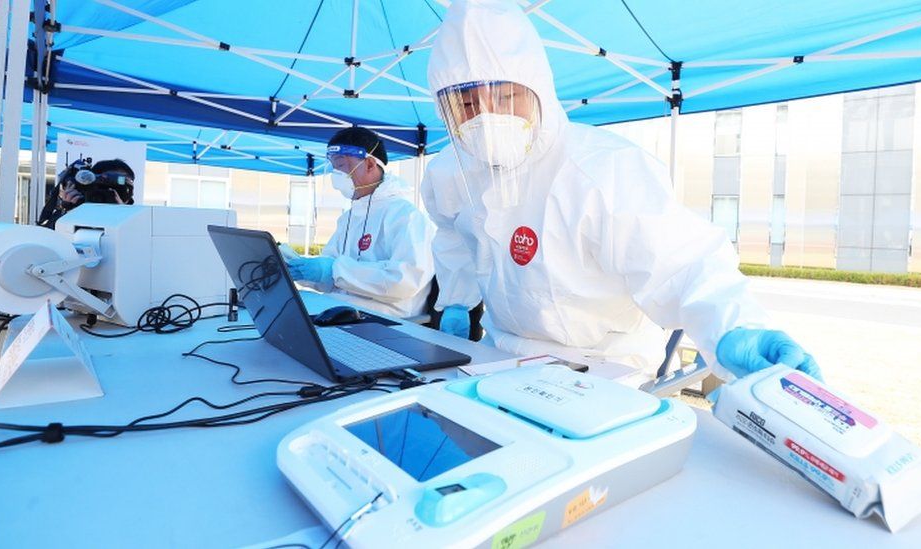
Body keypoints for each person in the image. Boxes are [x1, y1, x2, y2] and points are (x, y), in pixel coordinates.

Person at [420, 0, 821, 383]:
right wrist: (457, 299)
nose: (487, 117)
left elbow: (682, 264)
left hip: (601, 368)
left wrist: (735, 328)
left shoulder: (602, 169)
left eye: (505, 96)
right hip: (499, 356)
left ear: (538, 88)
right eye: (466, 105)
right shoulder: (449, 173)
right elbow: (453, 237)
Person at [286, 127, 436, 319]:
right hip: (343, 311)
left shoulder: (406, 217)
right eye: (333, 167)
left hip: (386, 319)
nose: (336, 175)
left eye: (342, 166)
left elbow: (405, 281)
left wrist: (334, 271)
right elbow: (330, 276)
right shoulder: (349, 217)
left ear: (370, 164)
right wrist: (301, 270)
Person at [38, 158, 135, 229]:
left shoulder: (138, 221)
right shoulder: (74, 208)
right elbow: (47, 239)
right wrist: (68, 213)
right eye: (102, 187)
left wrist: (123, 216)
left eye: (120, 190)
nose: (110, 194)